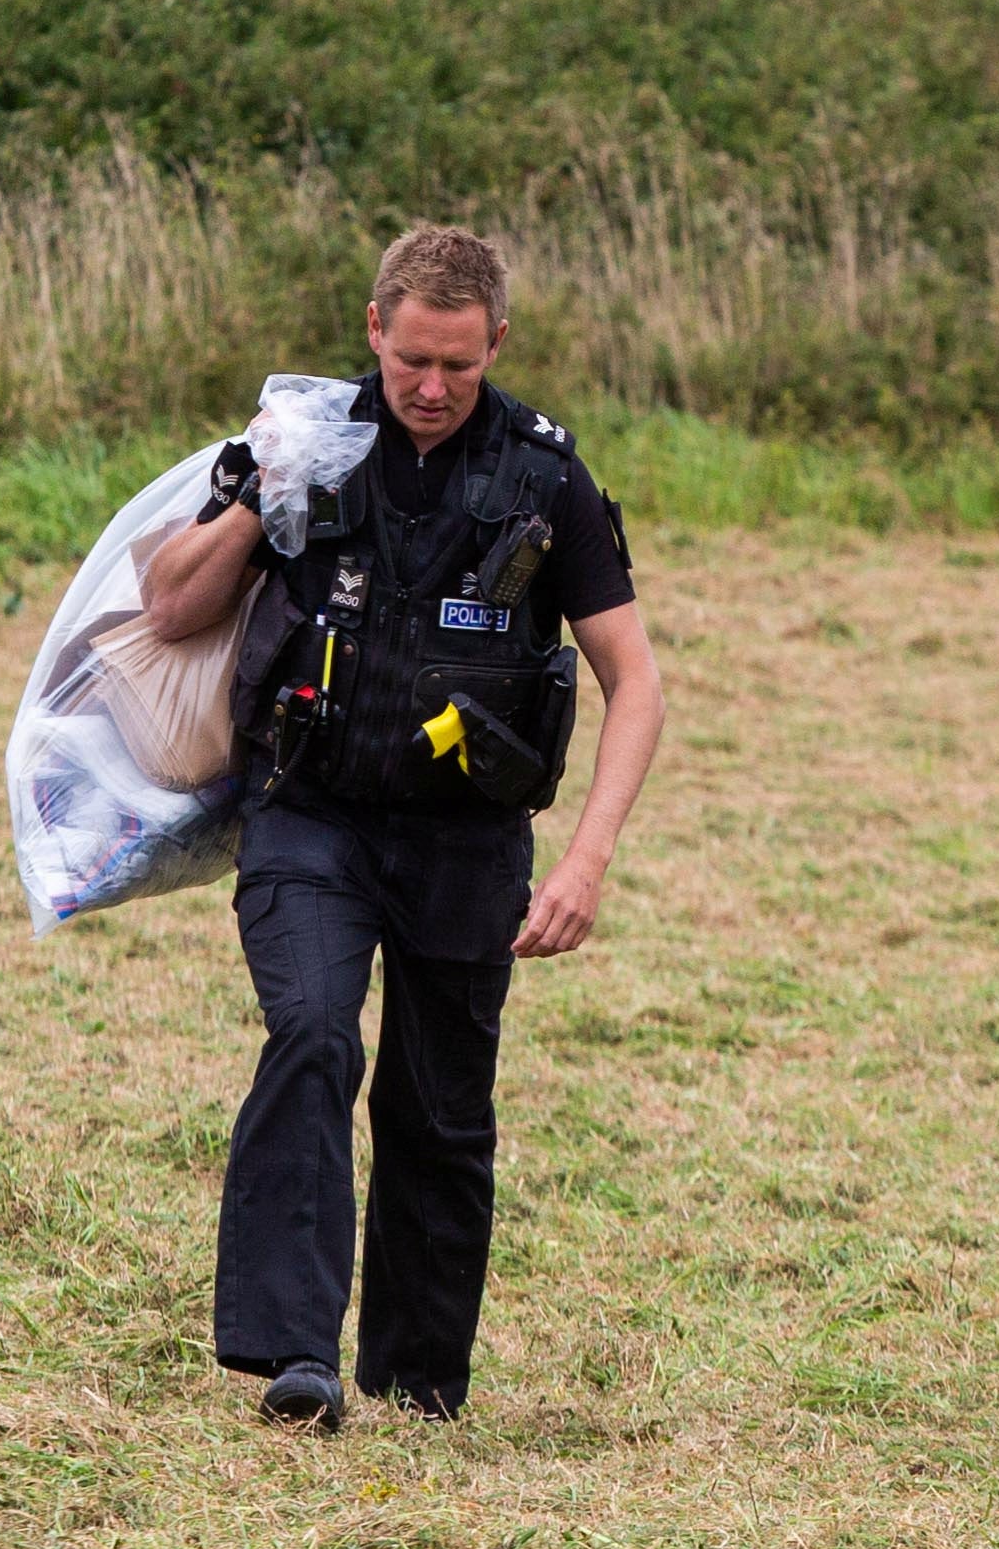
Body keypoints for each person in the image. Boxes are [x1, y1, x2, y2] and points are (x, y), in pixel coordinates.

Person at [135, 223, 663, 1430]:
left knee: (438, 1106)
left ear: (496, 346)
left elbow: (637, 679)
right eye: (412, 359)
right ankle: (293, 1355)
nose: (430, 389)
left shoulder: (543, 473)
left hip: (466, 840)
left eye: (459, 367)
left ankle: (418, 1381)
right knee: (313, 1034)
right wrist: (258, 498)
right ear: (373, 329)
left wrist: (586, 858)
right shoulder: (300, 444)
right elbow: (167, 609)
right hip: (309, 813)